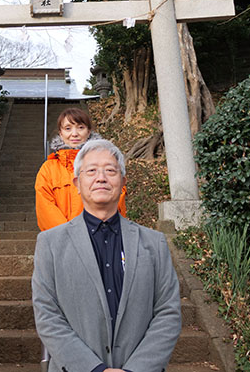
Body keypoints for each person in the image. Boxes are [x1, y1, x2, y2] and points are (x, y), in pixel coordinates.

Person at [32, 139, 181, 372]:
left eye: (110, 171)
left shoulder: (154, 243)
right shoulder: (51, 244)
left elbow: (168, 312)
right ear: (77, 183)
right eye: (91, 171)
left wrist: (136, 369)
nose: (101, 178)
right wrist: (93, 369)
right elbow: (47, 315)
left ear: (122, 182)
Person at [35, 107, 126, 231]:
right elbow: (45, 207)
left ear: (89, 131)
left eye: (80, 127)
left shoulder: (105, 162)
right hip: (62, 239)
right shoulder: (49, 169)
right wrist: (68, 235)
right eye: (68, 128)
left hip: (101, 234)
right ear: (61, 133)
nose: (74, 133)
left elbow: (117, 196)